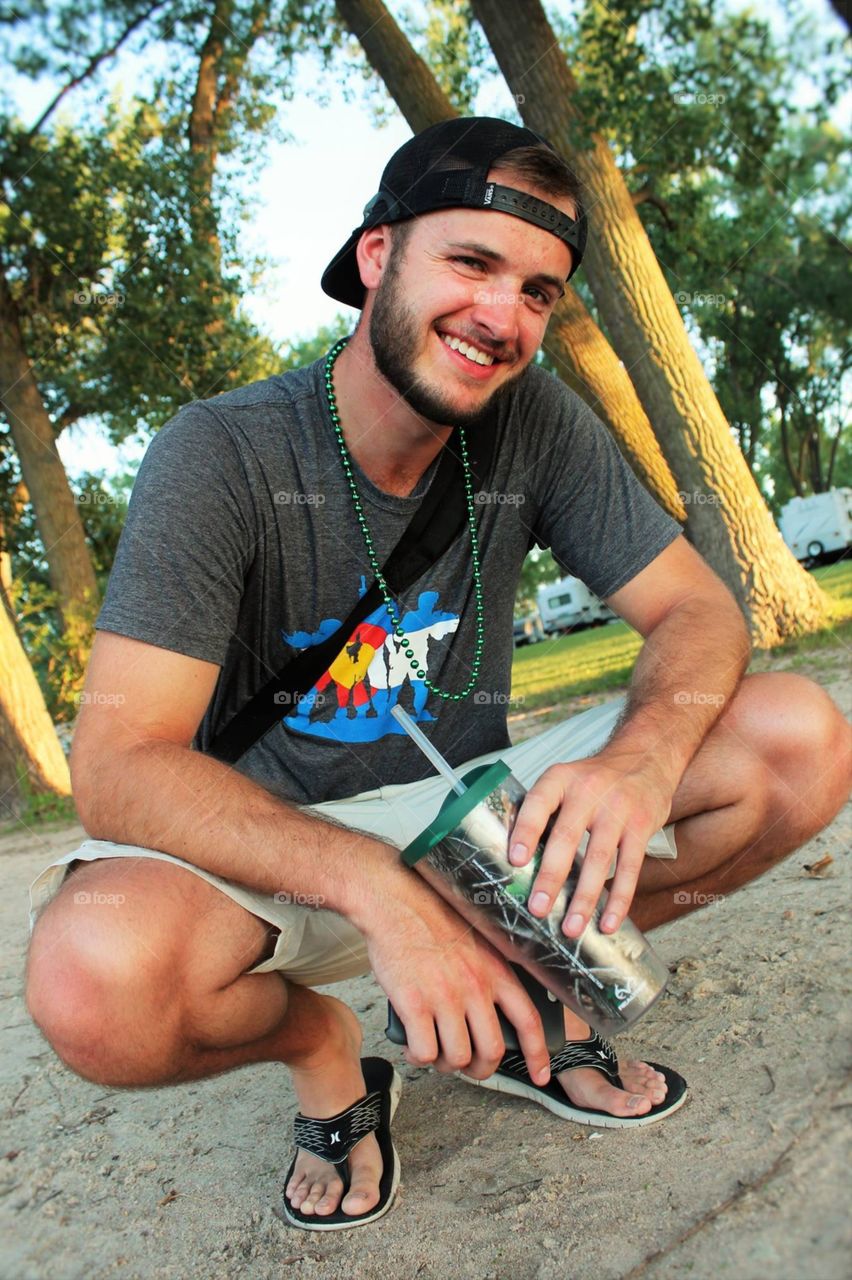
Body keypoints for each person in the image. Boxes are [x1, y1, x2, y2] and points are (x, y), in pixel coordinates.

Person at [24, 118, 851, 1232]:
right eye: (471, 263)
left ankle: (524, 996)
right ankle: (328, 1053)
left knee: (799, 735)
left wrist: (641, 765)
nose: (503, 317)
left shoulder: (534, 424)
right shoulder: (221, 451)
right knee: (94, 977)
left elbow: (697, 610)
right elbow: (118, 768)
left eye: (540, 292)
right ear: (379, 257)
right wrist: (376, 887)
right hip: (280, 836)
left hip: (477, 817)